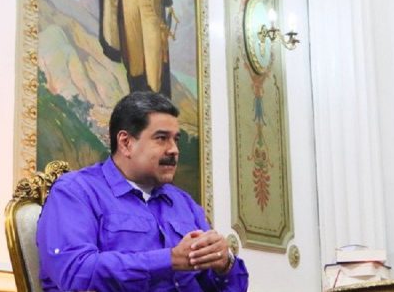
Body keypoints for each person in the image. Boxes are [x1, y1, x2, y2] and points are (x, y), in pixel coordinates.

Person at [36, 92, 249, 291]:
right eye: (161, 138)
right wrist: (169, 260)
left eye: (176, 139)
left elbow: (224, 285)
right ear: (126, 143)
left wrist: (225, 263)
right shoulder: (76, 192)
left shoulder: (184, 203)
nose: (174, 150)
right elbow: (75, 272)